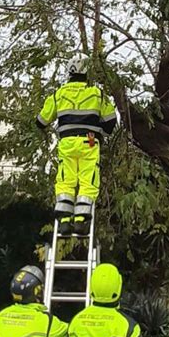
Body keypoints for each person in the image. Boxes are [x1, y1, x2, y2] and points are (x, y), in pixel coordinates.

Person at [36, 55, 116, 238]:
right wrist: (99, 132)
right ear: (87, 72)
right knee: (88, 180)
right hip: (89, 141)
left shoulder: (59, 94)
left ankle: (64, 221)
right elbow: (111, 122)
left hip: (67, 143)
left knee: (65, 179)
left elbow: (41, 121)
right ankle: (81, 221)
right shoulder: (97, 93)